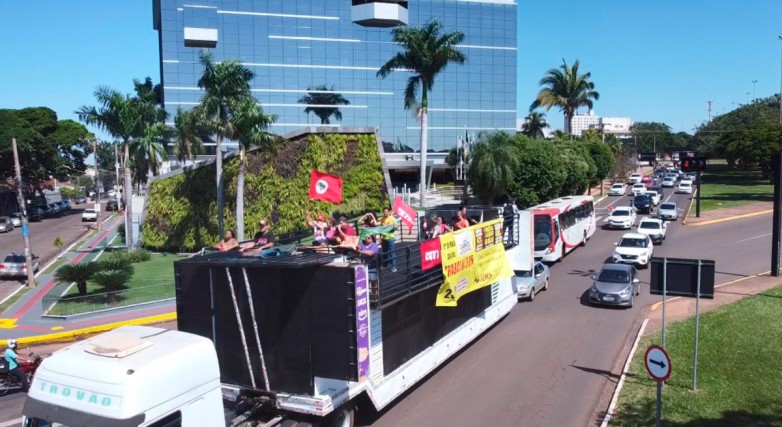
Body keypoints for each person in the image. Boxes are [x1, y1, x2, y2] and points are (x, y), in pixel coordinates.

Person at [381, 208, 398, 272]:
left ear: (388, 212)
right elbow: (381, 227)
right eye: (384, 212)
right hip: (384, 237)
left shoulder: (392, 218)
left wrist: (392, 226)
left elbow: (396, 227)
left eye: (386, 211)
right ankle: (385, 264)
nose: (384, 213)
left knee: (392, 252)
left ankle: (394, 266)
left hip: (390, 237)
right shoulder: (382, 219)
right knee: (384, 252)